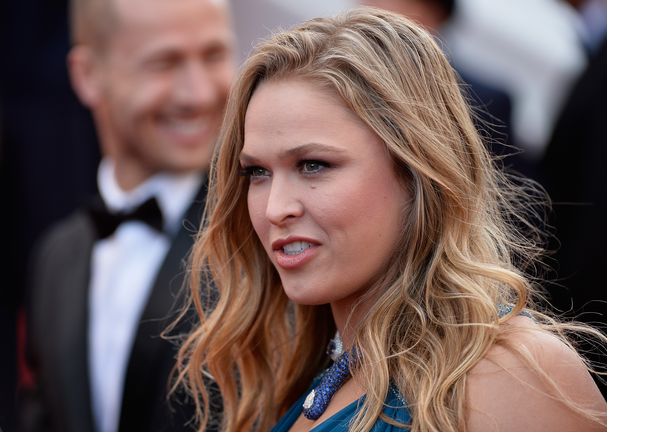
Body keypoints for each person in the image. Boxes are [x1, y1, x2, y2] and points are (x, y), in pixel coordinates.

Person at [174, 8, 606, 432]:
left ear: (417, 170)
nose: (274, 208)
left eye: (313, 165)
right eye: (258, 173)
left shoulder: (514, 372)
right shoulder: (296, 371)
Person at [20, 0, 236, 431]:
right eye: (163, 63)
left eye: (214, 55)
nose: (199, 94)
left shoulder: (259, 234)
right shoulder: (56, 259)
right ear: (88, 75)